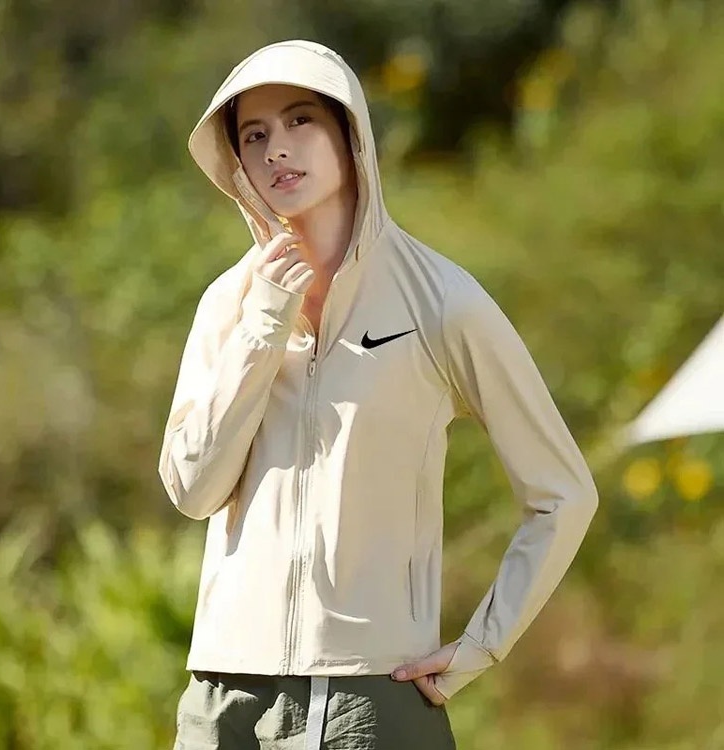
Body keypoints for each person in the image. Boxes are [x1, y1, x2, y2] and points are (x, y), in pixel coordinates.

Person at [158, 39, 599, 750]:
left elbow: (564, 494)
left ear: (350, 133)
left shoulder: (443, 301)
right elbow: (193, 489)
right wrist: (264, 324)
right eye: (254, 135)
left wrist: (483, 644)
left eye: (300, 120)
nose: (277, 149)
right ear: (235, 162)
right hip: (222, 697)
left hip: (372, 699)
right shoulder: (228, 305)